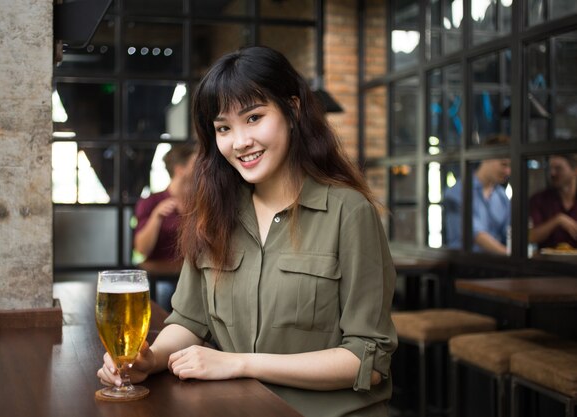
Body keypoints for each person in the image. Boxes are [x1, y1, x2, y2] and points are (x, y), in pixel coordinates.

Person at [98, 46, 397, 417]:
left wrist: (240, 363)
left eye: (254, 118)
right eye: (223, 128)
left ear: (293, 109)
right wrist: (148, 360)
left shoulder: (348, 212)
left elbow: (367, 363)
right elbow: (189, 322)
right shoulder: (213, 214)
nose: (239, 142)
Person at [133, 143, 197, 311]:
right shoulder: (152, 202)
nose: (203, 168)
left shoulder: (201, 202)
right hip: (162, 279)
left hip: (195, 276)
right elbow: (141, 250)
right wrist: (156, 217)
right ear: (180, 169)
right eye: (196, 163)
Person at [444, 134, 511, 255]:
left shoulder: (502, 196)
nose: (508, 171)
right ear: (486, 158)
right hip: (465, 264)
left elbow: (509, 232)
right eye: (504, 164)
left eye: (510, 166)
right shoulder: (457, 192)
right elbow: (475, 234)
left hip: (498, 264)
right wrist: (509, 255)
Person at [529, 154, 577, 249]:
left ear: (575, 170)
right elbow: (531, 237)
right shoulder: (539, 199)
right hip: (547, 262)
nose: (552, 173)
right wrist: (558, 220)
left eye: (558, 168)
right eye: (550, 169)